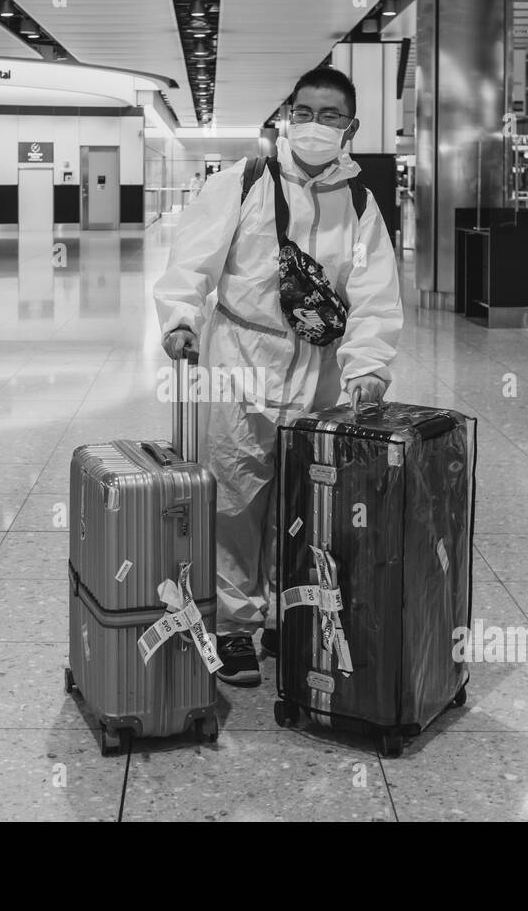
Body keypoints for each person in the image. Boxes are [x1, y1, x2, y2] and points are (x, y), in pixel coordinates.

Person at [153, 65, 402, 687]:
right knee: (237, 500)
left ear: (351, 127)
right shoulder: (243, 182)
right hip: (241, 362)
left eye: (332, 116)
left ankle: (285, 619)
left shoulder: (362, 204)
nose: (317, 126)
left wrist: (368, 366)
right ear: (287, 116)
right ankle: (235, 628)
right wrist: (180, 319)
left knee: (303, 504)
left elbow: (373, 294)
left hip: (317, 372)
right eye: (307, 112)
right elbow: (193, 260)